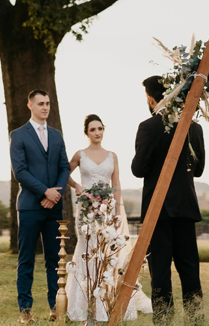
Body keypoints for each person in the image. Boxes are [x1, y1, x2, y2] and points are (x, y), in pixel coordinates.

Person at [132, 76, 206, 324]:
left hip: (158, 211)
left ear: (151, 98)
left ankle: (163, 322)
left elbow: (138, 169)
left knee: (160, 273)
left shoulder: (149, 126)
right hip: (186, 208)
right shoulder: (194, 127)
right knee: (190, 271)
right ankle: (195, 320)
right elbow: (199, 169)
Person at [64, 114, 153, 321]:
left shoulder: (112, 156)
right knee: (87, 252)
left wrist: (117, 212)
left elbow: (116, 185)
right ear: (86, 132)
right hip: (87, 211)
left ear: (104, 130)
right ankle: (83, 303)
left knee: (108, 254)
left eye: (100, 128)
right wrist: (77, 186)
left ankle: (106, 304)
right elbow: (64, 173)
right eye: (92, 129)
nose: (97, 133)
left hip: (107, 211)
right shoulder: (80, 154)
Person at [10, 89, 70, 324]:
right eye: (41, 103)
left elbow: (65, 167)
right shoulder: (19, 135)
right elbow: (20, 172)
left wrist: (56, 193)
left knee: (55, 259)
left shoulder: (56, 135)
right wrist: (44, 191)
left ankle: (56, 306)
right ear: (30, 106)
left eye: (48, 103)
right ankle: (25, 311)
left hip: (54, 207)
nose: (45, 107)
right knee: (26, 259)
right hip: (29, 207)